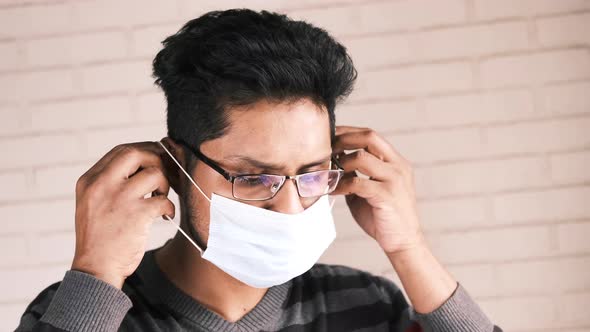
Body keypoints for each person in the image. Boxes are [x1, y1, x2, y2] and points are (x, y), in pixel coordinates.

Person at [16, 9, 501, 332]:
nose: (291, 208)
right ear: (177, 165)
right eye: (253, 179)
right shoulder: (83, 312)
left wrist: (409, 248)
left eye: (312, 174)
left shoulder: (368, 304)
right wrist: (96, 274)